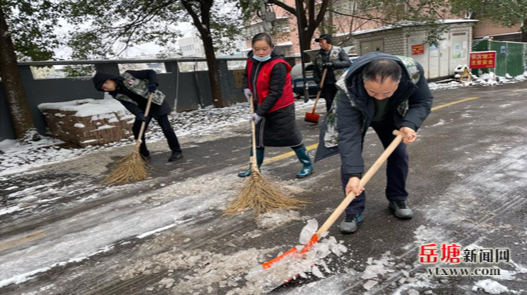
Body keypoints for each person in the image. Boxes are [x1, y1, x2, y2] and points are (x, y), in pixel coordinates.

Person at [315, 52, 433, 234]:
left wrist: (409, 125)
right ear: (363, 80)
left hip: (390, 116)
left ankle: (397, 198)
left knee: (399, 154)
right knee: (350, 163)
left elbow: (422, 101)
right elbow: (349, 134)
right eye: (372, 92)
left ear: (399, 81)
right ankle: (353, 210)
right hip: (358, 115)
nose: (379, 97)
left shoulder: (412, 72)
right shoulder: (348, 86)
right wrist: (354, 174)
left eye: (387, 92)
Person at [239, 32, 314, 179]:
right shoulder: (251, 60)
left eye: (264, 49)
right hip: (260, 104)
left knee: (290, 136)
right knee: (258, 138)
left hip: (280, 107)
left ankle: (307, 164)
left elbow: (275, 93)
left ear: (272, 48)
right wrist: (246, 87)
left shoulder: (278, 65)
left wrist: (260, 113)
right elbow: (246, 75)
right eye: (256, 49)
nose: (260, 53)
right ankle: (254, 167)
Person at [92, 70, 183, 162]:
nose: (105, 90)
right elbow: (129, 104)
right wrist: (139, 114)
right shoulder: (116, 94)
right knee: (137, 129)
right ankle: (144, 154)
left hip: (155, 102)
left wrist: (153, 84)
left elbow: (150, 72)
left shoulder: (129, 75)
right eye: (103, 89)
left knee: (165, 127)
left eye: (104, 87)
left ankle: (177, 151)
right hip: (142, 108)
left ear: (109, 81)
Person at [313, 34, 352, 112]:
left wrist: (333, 64)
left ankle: (342, 119)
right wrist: (318, 82)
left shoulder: (338, 50)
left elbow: (347, 63)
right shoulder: (318, 56)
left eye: (322, 41)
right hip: (326, 84)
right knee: (329, 103)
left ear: (328, 41)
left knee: (341, 102)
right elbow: (315, 71)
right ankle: (330, 120)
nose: (320, 43)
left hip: (339, 82)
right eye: (319, 42)